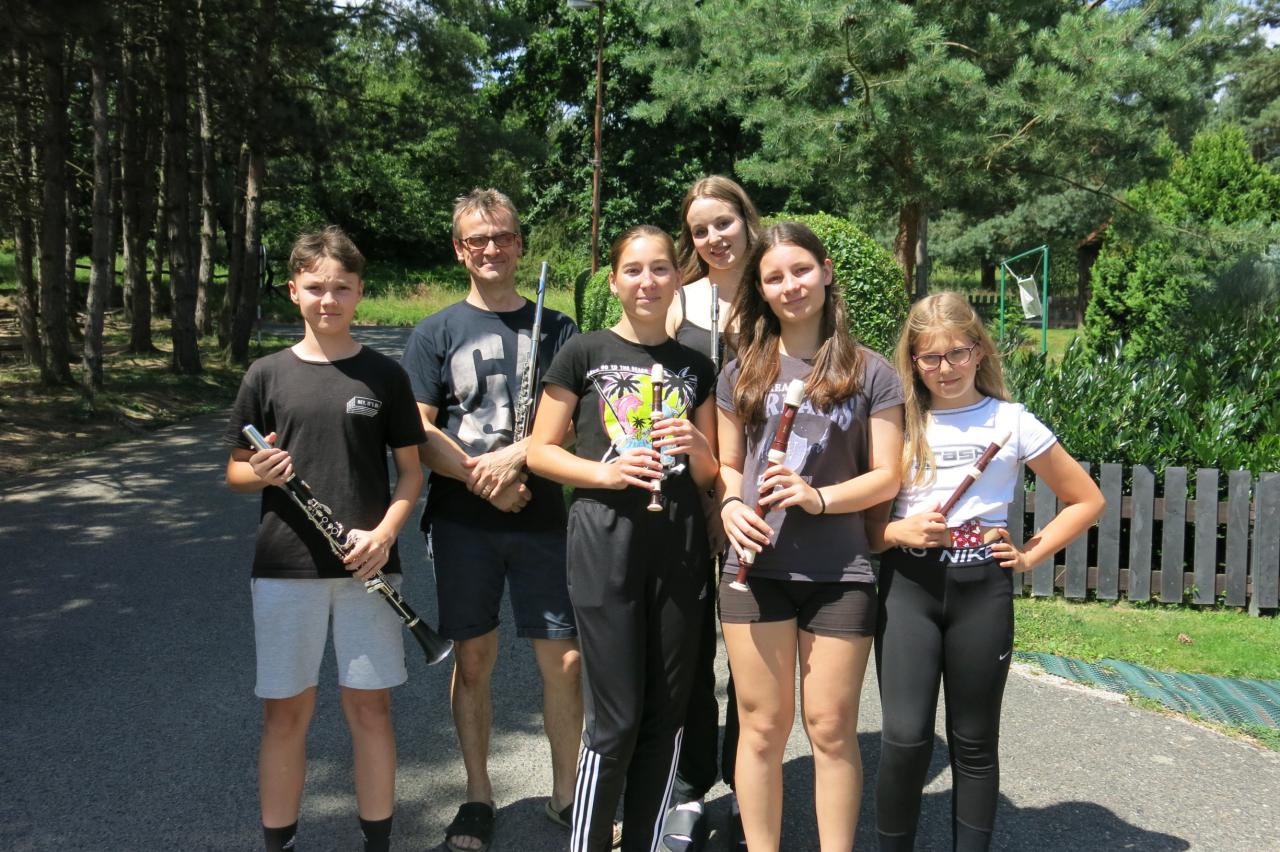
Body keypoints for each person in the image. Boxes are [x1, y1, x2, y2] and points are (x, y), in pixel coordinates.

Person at [868, 292, 1105, 851]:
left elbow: (1086, 499)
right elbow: (866, 527)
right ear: (912, 361)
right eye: (930, 357)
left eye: (957, 352)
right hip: (908, 588)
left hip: (981, 590)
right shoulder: (897, 421)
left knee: (974, 742)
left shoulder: (1011, 421)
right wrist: (895, 532)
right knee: (904, 738)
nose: (945, 368)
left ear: (979, 350)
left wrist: (1028, 556)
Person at [224, 226, 426, 852]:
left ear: (360, 291)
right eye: (315, 288)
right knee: (285, 714)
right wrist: (259, 471)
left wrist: (385, 535)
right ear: (293, 291)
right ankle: (278, 842)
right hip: (285, 569)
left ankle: (377, 841)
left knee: (371, 710)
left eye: (341, 287)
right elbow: (235, 471)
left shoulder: (384, 375)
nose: (328, 300)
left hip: (369, 566)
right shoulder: (266, 374)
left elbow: (411, 473)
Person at [399, 189, 584, 852]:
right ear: (459, 249)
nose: (491, 248)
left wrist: (516, 460)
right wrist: (485, 481)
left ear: (519, 243)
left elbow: (572, 425)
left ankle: (568, 797)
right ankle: (477, 796)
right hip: (463, 520)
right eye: (477, 239)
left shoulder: (558, 328)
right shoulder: (435, 332)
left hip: (542, 517)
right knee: (474, 659)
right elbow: (418, 431)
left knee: (564, 660)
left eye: (502, 236)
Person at [527, 225, 719, 852]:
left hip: (679, 546)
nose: (647, 281)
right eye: (633, 270)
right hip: (605, 540)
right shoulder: (582, 352)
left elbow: (710, 472)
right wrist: (605, 474)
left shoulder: (697, 365)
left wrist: (699, 447)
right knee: (615, 720)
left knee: (666, 716)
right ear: (613, 281)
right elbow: (540, 451)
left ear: (677, 280)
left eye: (660, 269)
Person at [717, 221, 904, 852]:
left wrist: (818, 498)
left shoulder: (872, 371)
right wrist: (729, 505)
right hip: (754, 569)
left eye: (801, 270)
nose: (790, 285)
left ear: (826, 271)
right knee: (762, 729)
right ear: (761, 290)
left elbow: (887, 474)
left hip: (839, 573)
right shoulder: (740, 371)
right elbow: (726, 464)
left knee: (830, 728)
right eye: (774, 277)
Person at [660, 175, 762, 852]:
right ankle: (690, 786)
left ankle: (748, 788)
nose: (714, 238)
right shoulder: (679, 300)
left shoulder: (778, 288)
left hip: (761, 495)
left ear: (747, 220)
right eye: (700, 230)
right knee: (690, 649)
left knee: (752, 658)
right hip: (692, 496)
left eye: (723, 223)